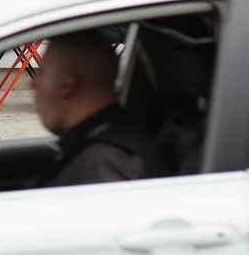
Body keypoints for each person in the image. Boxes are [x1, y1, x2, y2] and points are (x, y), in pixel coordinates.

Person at [25, 29, 171, 187]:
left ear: (67, 86)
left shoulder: (106, 165)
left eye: (43, 72)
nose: (33, 84)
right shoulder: (103, 149)